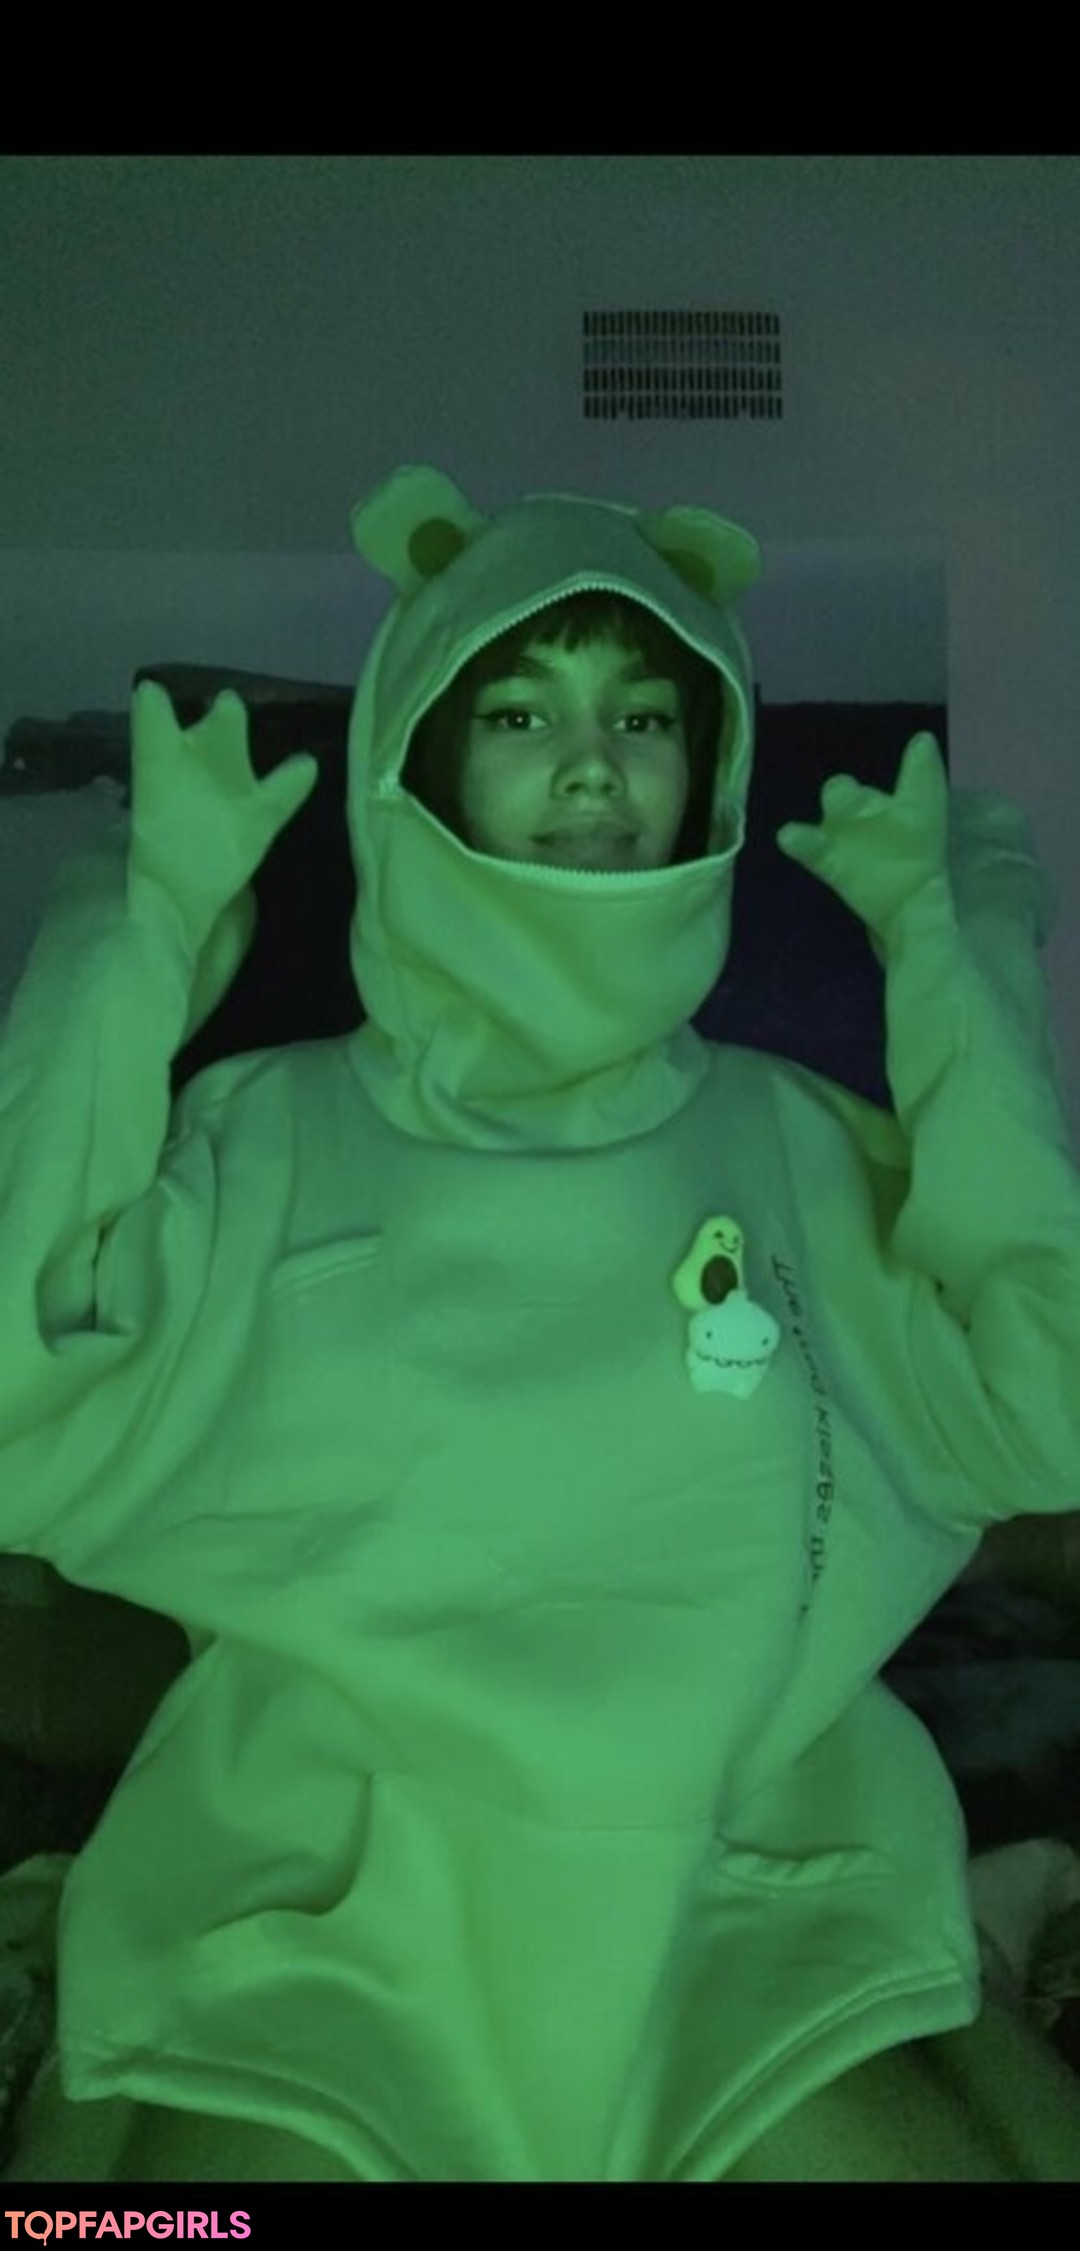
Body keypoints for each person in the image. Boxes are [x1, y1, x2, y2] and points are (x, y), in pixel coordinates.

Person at [2, 464, 1080, 2182]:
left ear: (707, 770)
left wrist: (958, 963)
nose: (593, 763)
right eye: (518, 712)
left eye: (645, 715)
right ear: (419, 761)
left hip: (745, 1901)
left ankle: (971, 1943)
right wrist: (127, 935)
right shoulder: (269, 1132)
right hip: (332, 1914)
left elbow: (1042, 1411)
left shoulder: (792, 1139)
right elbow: (20, 1414)